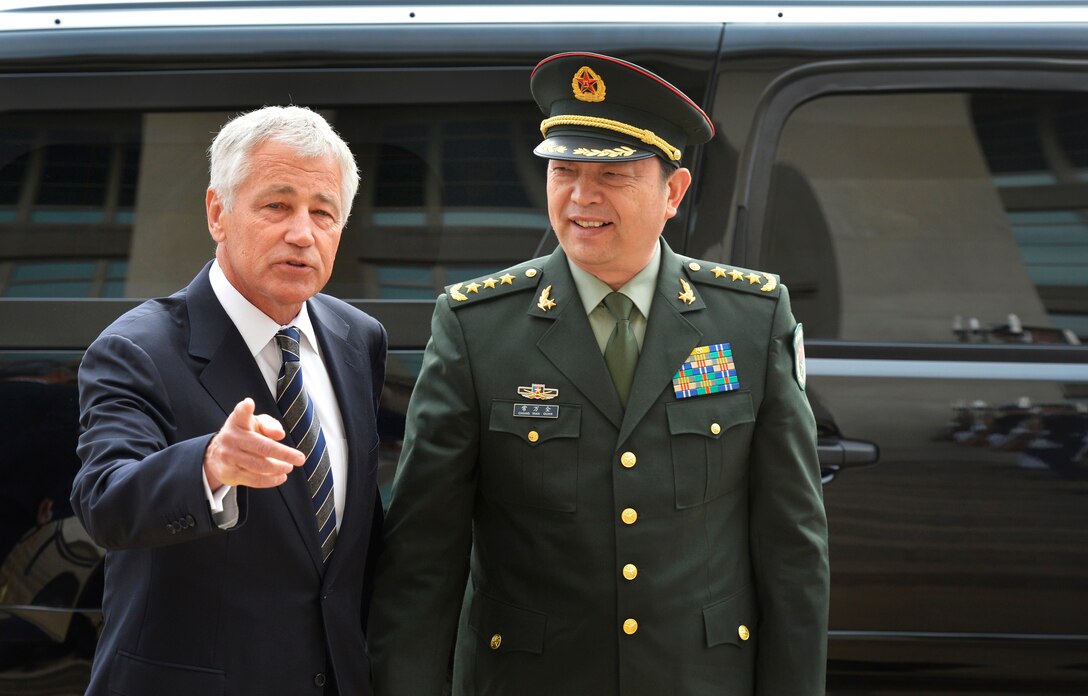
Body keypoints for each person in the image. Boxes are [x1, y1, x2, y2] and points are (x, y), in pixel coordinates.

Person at [368, 52, 829, 695]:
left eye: (613, 173)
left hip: (699, 676)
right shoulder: (478, 327)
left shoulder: (748, 319)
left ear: (673, 192)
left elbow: (792, 546)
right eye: (564, 171)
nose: (583, 197)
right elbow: (424, 555)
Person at [71, 106, 387, 696]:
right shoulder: (136, 348)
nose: (303, 233)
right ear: (218, 212)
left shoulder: (356, 338)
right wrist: (209, 466)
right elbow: (104, 500)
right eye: (277, 206)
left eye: (323, 213)